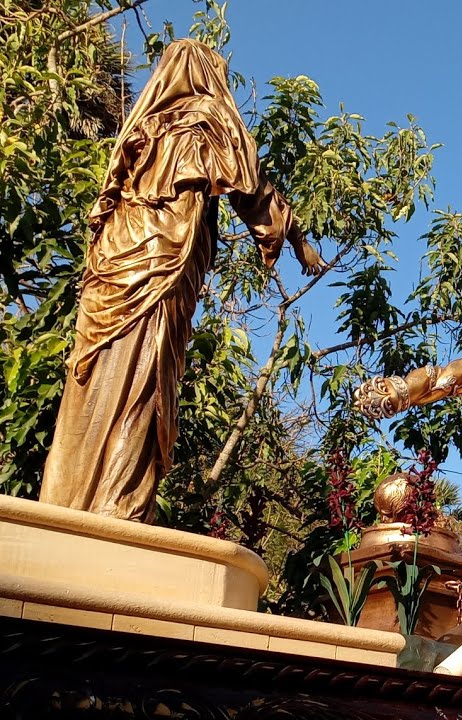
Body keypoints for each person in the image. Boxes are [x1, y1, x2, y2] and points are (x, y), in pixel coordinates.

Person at [40, 40, 322, 522]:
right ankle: (117, 506)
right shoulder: (209, 116)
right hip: (162, 268)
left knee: (94, 377)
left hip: (113, 268)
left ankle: (65, 501)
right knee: (141, 382)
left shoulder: (142, 126)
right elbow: (251, 189)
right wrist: (297, 239)